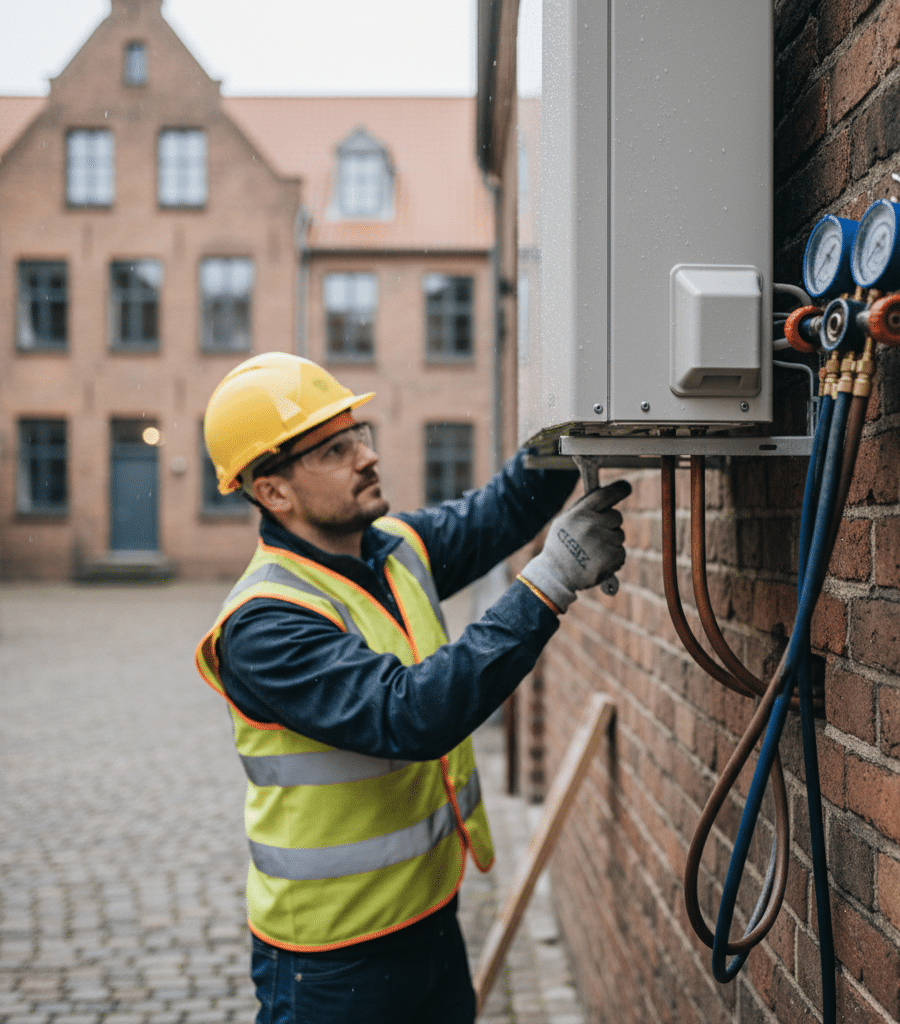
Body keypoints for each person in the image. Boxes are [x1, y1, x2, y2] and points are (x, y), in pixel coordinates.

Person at [194, 352, 629, 1024]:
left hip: (430, 917)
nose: (366, 457)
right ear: (273, 492)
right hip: (331, 960)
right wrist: (551, 579)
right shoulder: (263, 624)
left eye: (359, 435)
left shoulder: (393, 546)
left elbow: (505, 508)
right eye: (334, 450)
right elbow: (410, 714)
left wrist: (567, 416)